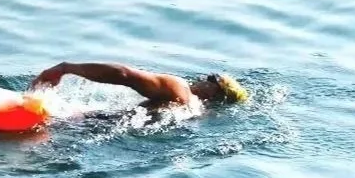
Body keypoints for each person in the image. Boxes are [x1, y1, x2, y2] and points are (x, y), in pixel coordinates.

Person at [28, 61, 247, 112]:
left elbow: (125, 75)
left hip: (85, 129)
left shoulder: (179, 88)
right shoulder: (193, 112)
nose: (203, 78)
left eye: (211, 78)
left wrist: (66, 68)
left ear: (215, 91)